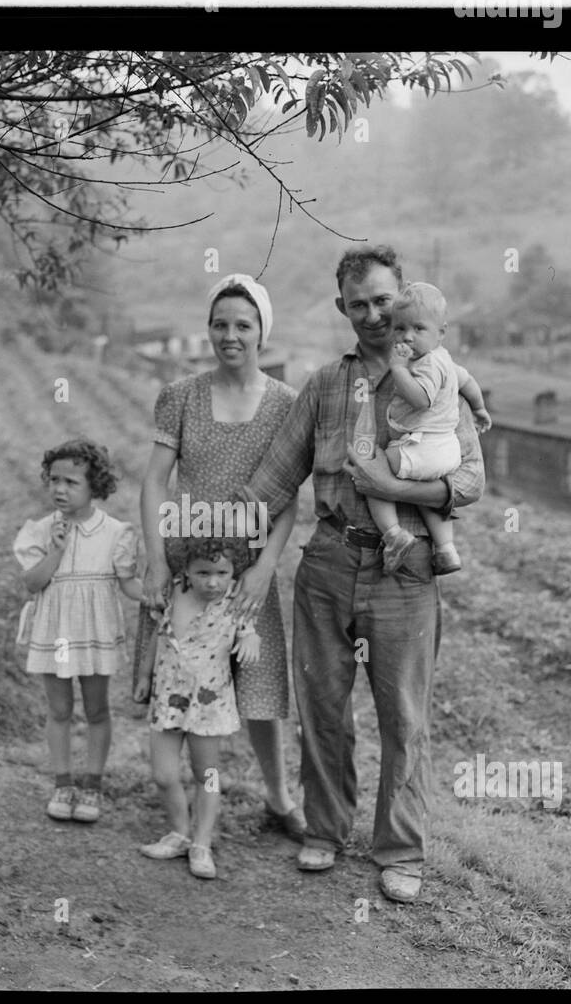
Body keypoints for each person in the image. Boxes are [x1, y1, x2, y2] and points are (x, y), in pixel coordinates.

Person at [241, 245, 485, 903]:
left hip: (404, 570)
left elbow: (469, 480)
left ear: (404, 296)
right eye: (360, 304)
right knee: (322, 706)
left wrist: (395, 486)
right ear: (342, 309)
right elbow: (272, 480)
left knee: (403, 716)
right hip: (327, 561)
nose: (376, 315)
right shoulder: (325, 386)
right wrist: (198, 534)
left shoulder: (440, 377)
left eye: (385, 300)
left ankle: (401, 851)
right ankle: (324, 829)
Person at [139, 273, 305, 839]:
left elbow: (287, 501)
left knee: (257, 688)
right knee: (181, 678)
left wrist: (265, 568)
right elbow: (155, 481)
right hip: (190, 566)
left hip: (249, 569)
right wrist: (159, 558)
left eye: (243, 324)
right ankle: (184, 810)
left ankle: (280, 800)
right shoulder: (182, 396)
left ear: (262, 331)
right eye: (220, 324)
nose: (230, 335)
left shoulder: (285, 405)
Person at [13, 439, 144, 823]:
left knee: (97, 709)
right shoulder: (39, 530)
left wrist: (155, 595)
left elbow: (129, 584)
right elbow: (33, 583)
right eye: (54, 480)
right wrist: (55, 550)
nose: (59, 489)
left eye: (71, 482)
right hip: (56, 632)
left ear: (95, 486)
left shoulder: (116, 532)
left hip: (94, 630)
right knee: (59, 709)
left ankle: (92, 786)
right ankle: (62, 783)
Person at [135, 537, 260, 880]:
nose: (213, 581)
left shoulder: (235, 600)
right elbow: (159, 636)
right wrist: (144, 676)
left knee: (208, 775)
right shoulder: (174, 592)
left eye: (221, 572)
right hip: (168, 697)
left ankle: (201, 842)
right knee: (163, 774)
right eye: (204, 573)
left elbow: (249, 632)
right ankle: (179, 832)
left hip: (208, 701)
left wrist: (250, 639)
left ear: (233, 572)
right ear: (187, 571)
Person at [363, 282, 491, 574]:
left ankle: (393, 534)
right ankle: (446, 549)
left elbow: (421, 400)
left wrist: (398, 368)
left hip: (422, 445)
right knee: (424, 494)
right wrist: (480, 408)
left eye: (418, 329)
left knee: (373, 472)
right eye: (400, 329)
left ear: (441, 333)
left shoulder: (425, 365)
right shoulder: (446, 360)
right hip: (445, 452)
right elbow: (468, 382)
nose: (407, 337)